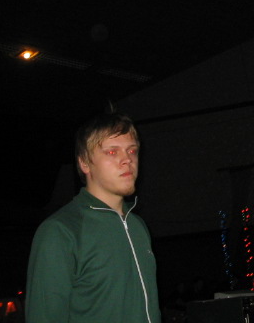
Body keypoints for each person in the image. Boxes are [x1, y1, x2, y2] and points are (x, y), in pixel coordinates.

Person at [26, 109, 160, 323]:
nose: (127, 159)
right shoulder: (61, 231)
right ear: (84, 163)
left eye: (132, 150)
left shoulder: (137, 226)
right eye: (112, 152)